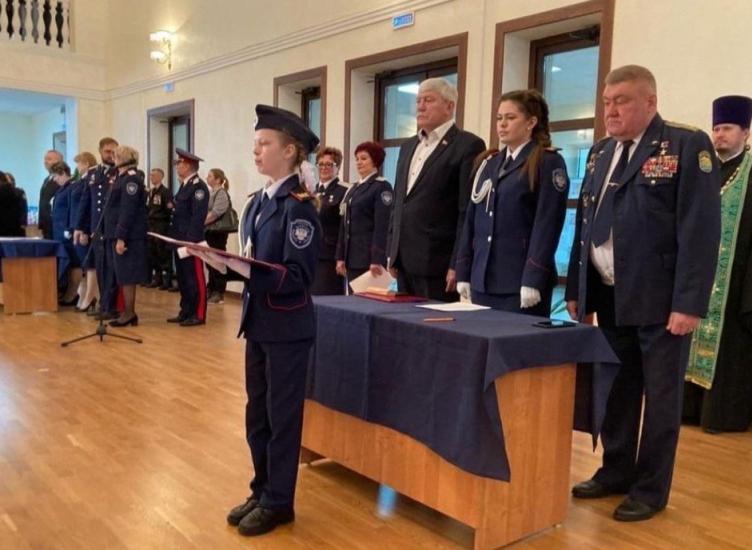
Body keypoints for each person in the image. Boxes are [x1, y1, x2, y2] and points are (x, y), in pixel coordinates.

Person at [565, 65, 721, 521]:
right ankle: (615, 470)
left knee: (661, 398)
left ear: (650, 102)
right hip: (610, 294)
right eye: (607, 101)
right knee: (617, 387)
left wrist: (688, 303)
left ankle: (650, 489)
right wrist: (578, 289)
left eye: (622, 101)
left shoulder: (685, 145)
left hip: (661, 301)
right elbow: (586, 224)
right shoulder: (600, 152)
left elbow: (699, 230)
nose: (611, 110)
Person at [191, 104, 320, 537]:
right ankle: (262, 489)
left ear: (290, 151)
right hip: (259, 323)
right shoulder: (258, 203)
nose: (256, 151)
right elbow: (250, 262)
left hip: (287, 329)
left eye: (265, 144)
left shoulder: (298, 207)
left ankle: (279, 502)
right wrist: (219, 261)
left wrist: (245, 270)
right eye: (256, 144)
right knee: (257, 416)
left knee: (282, 419)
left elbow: (297, 276)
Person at [455, 90, 569, 315]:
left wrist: (533, 276)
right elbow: (472, 220)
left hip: (520, 282)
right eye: (499, 118)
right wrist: (464, 269)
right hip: (483, 279)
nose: (502, 124)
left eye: (511, 118)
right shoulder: (489, 162)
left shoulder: (547, 161)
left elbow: (547, 224)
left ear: (531, 122)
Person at [683, 95, 752, 433]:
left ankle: (721, 416)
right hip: (700, 278)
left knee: (731, 348)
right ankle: (689, 410)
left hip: (737, 281)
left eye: (727, 128)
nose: (719, 135)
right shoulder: (705, 170)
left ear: (746, 133)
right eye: (716, 128)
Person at [387, 77, 485, 301]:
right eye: (418, 100)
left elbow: (466, 210)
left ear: (449, 106)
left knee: (432, 322)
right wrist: (392, 251)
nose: (420, 107)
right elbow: (398, 203)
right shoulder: (408, 146)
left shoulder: (467, 145)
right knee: (401, 320)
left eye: (428, 100)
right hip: (404, 260)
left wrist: (458, 262)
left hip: (437, 262)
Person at [335, 141, 392, 287]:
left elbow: (382, 225)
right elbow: (344, 224)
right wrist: (340, 256)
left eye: (364, 158)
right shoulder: (353, 188)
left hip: (368, 258)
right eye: (357, 159)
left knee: (368, 298)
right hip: (351, 257)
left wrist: (377, 258)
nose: (359, 162)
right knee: (353, 298)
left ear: (375, 161)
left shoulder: (381, 186)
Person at [75, 137, 120, 320]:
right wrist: (80, 227)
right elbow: (86, 202)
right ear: (100, 151)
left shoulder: (120, 172)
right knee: (100, 267)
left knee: (112, 269)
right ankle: (104, 303)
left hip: (113, 228)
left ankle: (110, 306)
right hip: (96, 227)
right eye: (108, 151)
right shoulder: (93, 173)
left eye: (114, 151)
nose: (111, 155)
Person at [103, 146, 148, 327]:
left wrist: (121, 237)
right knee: (121, 274)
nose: (113, 159)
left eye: (116, 156)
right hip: (116, 233)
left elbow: (128, 210)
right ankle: (126, 312)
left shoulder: (131, 179)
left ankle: (129, 313)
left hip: (129, 236)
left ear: (124, 158)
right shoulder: (121, 177)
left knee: (127, 275)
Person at [167, 148, 209, 326]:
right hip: (179, 239)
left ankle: (198, 314)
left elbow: (198, 217)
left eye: (179, 163)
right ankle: (185, 310)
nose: (177, 166)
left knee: (194, 278)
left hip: (191, 241)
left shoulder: (199, 187)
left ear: (188, 165)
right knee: (183, 278)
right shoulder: (185, 185)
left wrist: (190, 242)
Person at [311, 147, 348, 295]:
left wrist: (341, 257)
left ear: (337, 167)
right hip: (310, 254)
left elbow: (344, 228)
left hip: (329, 256)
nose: (324, 168)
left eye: (329, 164)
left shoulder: (344, 191)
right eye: (320, 164)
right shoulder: (310, 191)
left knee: (326, 299)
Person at [50, 161, 82, 306]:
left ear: (63, 173)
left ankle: (73, 294)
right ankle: (69, 293)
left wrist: (70, 229)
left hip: (67, 233)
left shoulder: (72, 187)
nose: (55, 179)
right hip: (59, 232)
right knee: (68, 265)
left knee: (74, 263)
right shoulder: (62, 189)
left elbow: (73, 210)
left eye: (56, 176)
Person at [70, 152, 99, 312]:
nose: (77, 167)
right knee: (85, 264)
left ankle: (90, 296)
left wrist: (84, 230)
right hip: (78, 226)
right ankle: (87, 295)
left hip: (84, 228)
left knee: (90, 264)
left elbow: (88, 207)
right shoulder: (82, 180)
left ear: (86, 163)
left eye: (79, 163)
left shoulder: (91, 179)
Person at [204, 168, 232, 304]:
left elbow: (216, 213)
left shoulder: (221, 193)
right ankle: (211, 288)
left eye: (210, 176)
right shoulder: (211, 193)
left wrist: (201, 222)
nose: (207, 178)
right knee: (210, 262)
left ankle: (219, 292)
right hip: (210, 232)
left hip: (218, 233)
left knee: (218, 261)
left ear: (218, 179)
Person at [146, 168, 174, 290]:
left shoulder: (165, 192)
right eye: (150, 175)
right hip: (151, 225)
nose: (151, 177)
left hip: (161, 225)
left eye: (154, 175)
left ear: (161, 177)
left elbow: (169, 209)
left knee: (163, 252)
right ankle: (157, 278)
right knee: (153, 252)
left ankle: (167, 280)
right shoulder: (151, 192)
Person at [38, 149, 63, 239]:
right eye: (45, 159)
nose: (45, 162)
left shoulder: (61, 179)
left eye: (49, 159)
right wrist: (41, 223)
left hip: (56, 224)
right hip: (46, 225)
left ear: (58, 161)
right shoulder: (47, 179)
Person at [0, 171, 25, 237]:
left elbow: (23, 208)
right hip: (14, 231)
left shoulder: (18, 192)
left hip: (5, 230)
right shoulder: (15, 193)